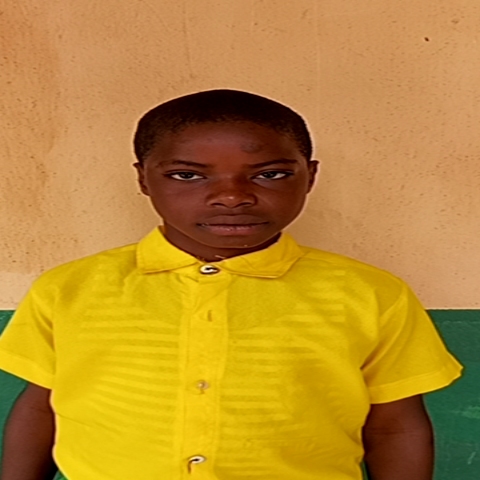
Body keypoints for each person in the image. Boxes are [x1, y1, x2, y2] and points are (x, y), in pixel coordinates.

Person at [0, 89, 462, 480]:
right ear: (143, 179)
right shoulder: (69, 288)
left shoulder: (371, 294)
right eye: (187, 175)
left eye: (270, 174)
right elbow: (41, 407)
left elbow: (394, 427)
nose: (232, 196)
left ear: (310, 176)